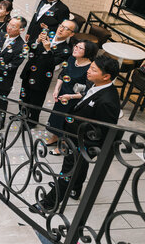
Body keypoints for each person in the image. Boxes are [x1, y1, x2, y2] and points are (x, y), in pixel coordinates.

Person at [29, 55, 121, 215]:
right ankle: (75, 190)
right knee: (78, 168)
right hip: (74, 136)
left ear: (106, 76)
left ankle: (49, 203)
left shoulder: (108, 101)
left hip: (82, 143)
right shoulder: (95, 85)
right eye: (90, 67)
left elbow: (103, 131)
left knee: (68, 172)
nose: (88, 71)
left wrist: (83, 149)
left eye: (93, 70)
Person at [20, 20, 76, 128]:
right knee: (24, 95)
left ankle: (32, 122)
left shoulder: (66, 50)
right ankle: (22, 114)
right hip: (29, 71)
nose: (61, 29)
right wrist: (37, 41)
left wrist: (48, 49)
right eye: (61, 26)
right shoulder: (46, 36)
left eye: (66, 29)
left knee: (36, 101)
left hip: (41, 78)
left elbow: (51, 64)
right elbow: (30, 47)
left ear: (71, 34)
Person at [45, 40, 98, 154]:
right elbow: (63, 74)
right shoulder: (71, 59)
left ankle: (64, 145)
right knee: (56, 116)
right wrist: (56, 89)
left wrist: (70, 97)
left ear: (88, 52)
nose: (75, 49)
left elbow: (88, 91)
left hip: (74, 99)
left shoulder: (89, 68)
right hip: (62, 94)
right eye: (76, 46)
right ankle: (55, 137)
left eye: (80, 48)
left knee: (66, 121)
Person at [0, 16, 28, 130]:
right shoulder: (1, 35)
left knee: (1, 101)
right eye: (9, 24)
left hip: (5, 78)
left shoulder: (22, 46)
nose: (9, 27)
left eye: (13, 26)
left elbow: (12, 65)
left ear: (21, 30)